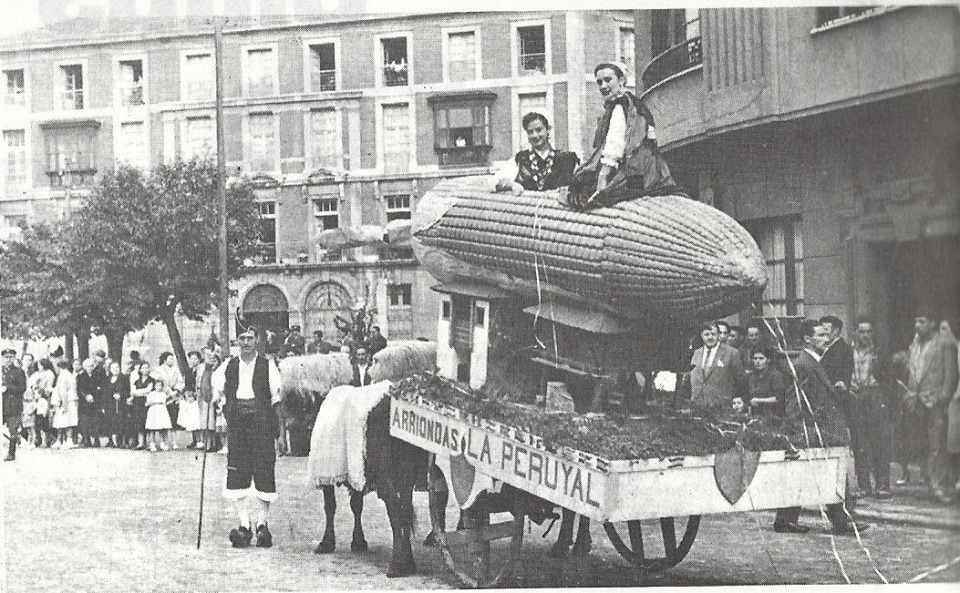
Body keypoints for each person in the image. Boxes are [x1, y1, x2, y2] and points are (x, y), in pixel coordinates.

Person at [773, 320, 868, 534]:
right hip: (813, 431)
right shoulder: (804, 364)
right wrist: (799, 433)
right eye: (821, 336)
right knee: (823, 473)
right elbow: (795, 402)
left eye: (827, 336)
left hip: (820, 429)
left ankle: (833, 520)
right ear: (808, 339)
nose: (826, 339)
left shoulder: (812, 362)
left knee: (826, 474)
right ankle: (836, 520)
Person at [567, 62, 678, 209]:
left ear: (621, 80)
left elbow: (616, 144)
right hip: (648, 167)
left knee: (585, 191)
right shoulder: (635, 103)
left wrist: (603, 177)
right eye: (599, 82)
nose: (603, 86)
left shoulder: (621, 106)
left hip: (635, 167)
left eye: (608, 80)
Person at [212, 326, 284, 549]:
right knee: (238, 472)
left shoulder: (267, 365)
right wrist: (209, 377)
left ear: (257, 340)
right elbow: (214, 393)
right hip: (237, 425)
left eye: (250, 338)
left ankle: (262, 525)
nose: (246, 342)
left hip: (261, 423)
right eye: (242, 338)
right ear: (237, 341)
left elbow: (277, 400)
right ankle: (244, 526)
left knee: (264, 471)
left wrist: (279, 433)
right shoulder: (228, 366)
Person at [904, 307, 959, 504]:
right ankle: (929, 483)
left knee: (937, 446)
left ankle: (940, 486)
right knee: (922, 445)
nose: (917, 326)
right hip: (916, 403)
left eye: (922, 322)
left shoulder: (945, 344)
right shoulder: (915, 344)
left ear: (932, 323)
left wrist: (941, 400)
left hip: (935, 402)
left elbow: (951, 376)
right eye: (916, 322)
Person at [850, 316, 892, 499]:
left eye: (868, 331)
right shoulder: (848, 352)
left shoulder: (879, 353)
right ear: (856, 333)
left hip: (875, 396)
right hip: (856, 397)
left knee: (879, 442)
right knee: (860, 442)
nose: (865, 335)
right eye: (862, 331)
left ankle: (882, 484)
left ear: (872, 333)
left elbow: (888, 379)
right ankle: (864, 484)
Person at [819, 315, 861, 492]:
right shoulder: (825, 348)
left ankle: (845, 486)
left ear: (836, 331)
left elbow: (844, 376)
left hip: (838, 402)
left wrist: (840, 383)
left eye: (826, 330)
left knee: (841, 444)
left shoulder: (842, 349)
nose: (823, 333)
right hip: (828, 403)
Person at [495, 112, 580, 195]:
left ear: (548, 130)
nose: (535, 135)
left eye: (539, 130)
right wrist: (512, 185)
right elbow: (494, 182)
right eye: (530, 132)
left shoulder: (568, 159)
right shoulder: (520, 159)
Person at [689, 321, 745, 409]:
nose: (710, 337)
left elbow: (740, 380)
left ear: (718, 335)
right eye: (707, 334)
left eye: (713, 334)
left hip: (721, 405)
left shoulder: (731, 353)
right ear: (701, 336)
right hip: (697, 404)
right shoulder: (696, 353)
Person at [747, 347, 786, 420]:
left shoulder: (775, 375)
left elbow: (779, 398)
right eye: (755, 358)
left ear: (768, 360)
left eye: (761, 358)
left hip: (773, 416)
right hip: (756, 416)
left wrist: (759, 400)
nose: (758, 361)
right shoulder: (752, 377)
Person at [2, 347, 26, 461]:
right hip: (2, 403)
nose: (8, 359)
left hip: (13, 404)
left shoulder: (18, 372)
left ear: (14, 358)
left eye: (10, 357)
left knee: (13, 429)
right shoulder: (1, 371)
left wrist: (7, 388)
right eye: (6, 357)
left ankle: (11, 453)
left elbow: (22, 388)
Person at [194, 349, 220, 450]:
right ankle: (208, 444)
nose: (212, 362)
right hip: (206, 397)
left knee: (216, 422)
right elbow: (200, 383)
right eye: (209, 359)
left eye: (214, 360)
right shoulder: (204, 370)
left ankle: (216, 443)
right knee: (207, 422)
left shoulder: (220, 371)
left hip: (217, 397)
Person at [51, 359, 78, 449]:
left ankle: (69, 441)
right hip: (64, 401)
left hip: (67, 401)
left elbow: (64, 392)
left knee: (67, 422)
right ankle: (60, 440)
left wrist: (64, 406)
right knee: (60, 422)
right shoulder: (66, 375)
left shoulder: (64, 376)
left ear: (59, 366)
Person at [76, 359, 103, 448]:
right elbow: (79, 389)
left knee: (95, 420)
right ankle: (86, 438)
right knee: (85, 420)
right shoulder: (80, 376)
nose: (90, 368)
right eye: (88, 366)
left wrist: (94, 397)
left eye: (91, 366)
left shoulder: (98, 375)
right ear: (84, 367)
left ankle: (96, 438)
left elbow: (100, 387)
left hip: (95, 401)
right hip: (84, 402)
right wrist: (86, 396)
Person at [130, 361, 154, 450]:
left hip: (146, 403)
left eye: (147, 367)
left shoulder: (151, 380)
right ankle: (140, 443)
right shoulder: (137, 380)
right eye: (143, 368)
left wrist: (138, 392)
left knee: (147, 422)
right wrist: (141, 393)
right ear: (140, 370)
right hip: (137, 403)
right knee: (138, 422)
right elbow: (133, 391)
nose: (145, 370)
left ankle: (148, 443)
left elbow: (149, 389)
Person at [103, 361, 128, 448]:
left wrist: (120, 394)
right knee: (111, 421)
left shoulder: (124, 378)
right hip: (110, 404)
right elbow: (105, 392)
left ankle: (122, 441)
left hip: (121, 403)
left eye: (117, 367)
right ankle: (113, 441)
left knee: (121, 421)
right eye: (113, 368)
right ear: (110, 369)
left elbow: (127, 390)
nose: (115, 369)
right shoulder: (108, 379)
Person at [32, 359, 56, 448]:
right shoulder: (37, 373)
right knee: (37, 419)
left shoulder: (49, 373)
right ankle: (38, 439)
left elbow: (48, 387)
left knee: (45, 419)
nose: (39, 366)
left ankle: (48, 439)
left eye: (40, 364)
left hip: (45, 397)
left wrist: (41, 390)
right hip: (37, 396)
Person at [145, 378, 173, 452]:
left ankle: (162, 443)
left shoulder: (163, 394)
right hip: (154, 411)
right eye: (157, 385)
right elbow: (147, 403)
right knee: (152, 428)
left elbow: (166, 402)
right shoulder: (151, 394)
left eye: (160, 385)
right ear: (154, 386)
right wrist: (152, 402)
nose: (159, 387)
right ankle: (152, 444)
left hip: (162, 411)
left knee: (162, 428)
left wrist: (170, 400)